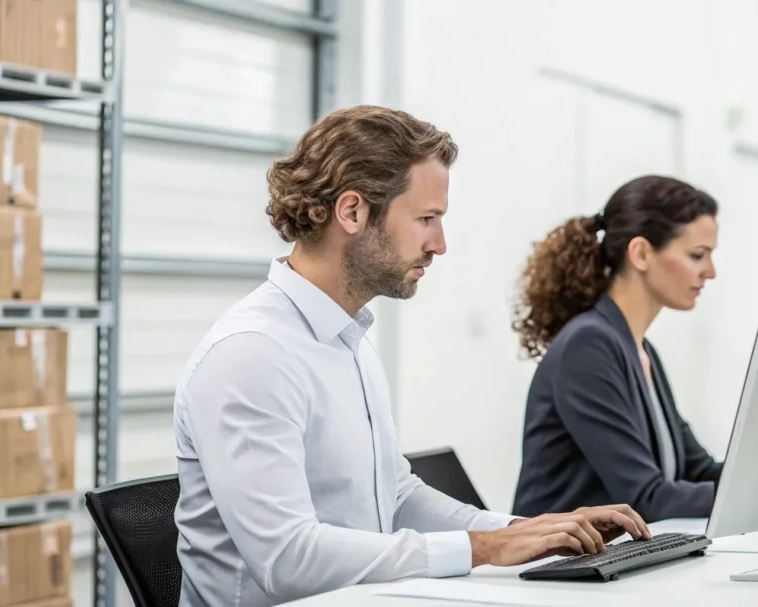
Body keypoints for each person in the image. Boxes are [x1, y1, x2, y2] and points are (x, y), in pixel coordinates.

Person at [172, 105, 651, 607]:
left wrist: (532, 532)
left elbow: (395, 497)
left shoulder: (345, 339)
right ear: (352, 211)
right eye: (426, 219)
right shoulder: (253, 355)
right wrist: (482, 549)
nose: (439, 245)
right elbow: (288, 559)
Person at [510, 175, 724, 524]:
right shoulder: (589, 345)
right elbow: (646, 498)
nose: (710, 272)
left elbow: (694, 469)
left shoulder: (641, 350)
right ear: (641, 253)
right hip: (556, 569)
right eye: (697, 255)